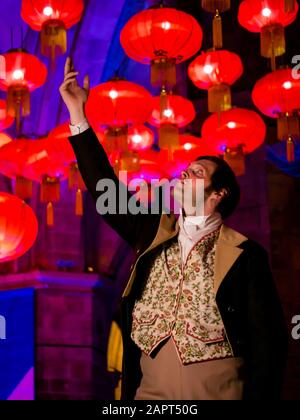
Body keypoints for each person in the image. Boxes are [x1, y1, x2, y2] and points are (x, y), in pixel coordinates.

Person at [60, 57, 288, 400]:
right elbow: (104, 187)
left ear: (218, 194)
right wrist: (78, 115)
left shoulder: (245, 255)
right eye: (185, 171)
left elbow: (269, 346)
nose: (184, 174)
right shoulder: (153, 232)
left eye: (197, 173)